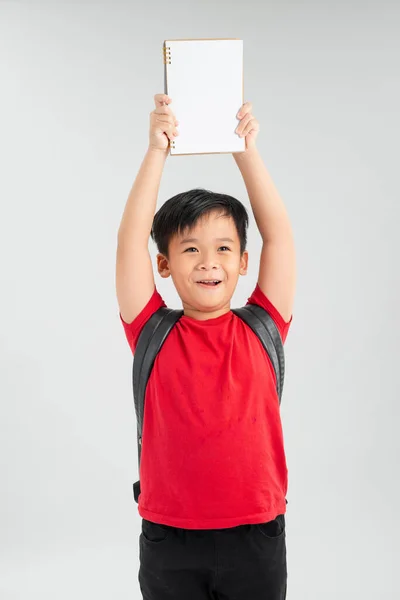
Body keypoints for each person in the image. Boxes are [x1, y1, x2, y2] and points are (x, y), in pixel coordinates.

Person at [116, 93, 296, 600]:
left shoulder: (263, 326)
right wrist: (156, 152)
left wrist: (245, 151)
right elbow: (131, 242)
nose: (207, 262)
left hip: (256, 534)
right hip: (169, 538)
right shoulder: (152, 330)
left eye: (223, 249)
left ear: (243, 262)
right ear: (165, 266)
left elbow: (278, 237)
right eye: (190, 249)